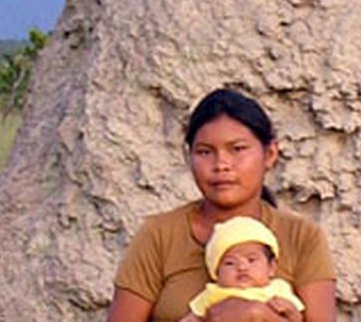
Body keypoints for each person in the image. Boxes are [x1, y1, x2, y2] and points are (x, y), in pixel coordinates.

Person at [107, 88, 336, 322]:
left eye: (237, 149)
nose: (221, 164)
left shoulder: (302, 238)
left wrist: (255, 313)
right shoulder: (160, 235)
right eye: (205, 152)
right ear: (189, 158)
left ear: (269, 154)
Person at [180, 216, 305, 321]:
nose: (242, 267)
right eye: (230, 263)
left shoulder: (278, 290)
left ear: (271, 267)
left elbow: (297, 318)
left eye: (251, 260)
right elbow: (190, 319)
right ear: (216, 273)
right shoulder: (212, 294)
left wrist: (290, 311)